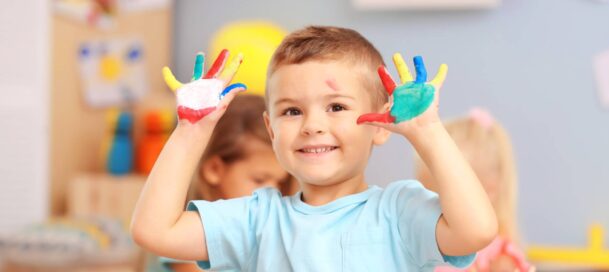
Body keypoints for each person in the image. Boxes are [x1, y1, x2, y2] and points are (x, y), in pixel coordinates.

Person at [132, 25, 497, 271]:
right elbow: (155, 232)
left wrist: (428, 131)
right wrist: (190, 131)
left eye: (336, 107)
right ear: (271, 130)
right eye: (292, 111)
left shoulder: (399, 212)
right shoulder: (258, 219)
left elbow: (476, 231)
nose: (312, 126)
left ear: (380, 124)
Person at [156, 94, 296, 272]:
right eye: (259, 179)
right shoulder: (187, 232)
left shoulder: (265, 226)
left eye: (280, 182)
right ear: (214, 169)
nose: (273, 190)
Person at [417, 108, 533, 272]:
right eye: (421, 194)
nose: (423, 209)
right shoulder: (422, 249)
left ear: (488, 193)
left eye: (438, 199)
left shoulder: (499, 259)